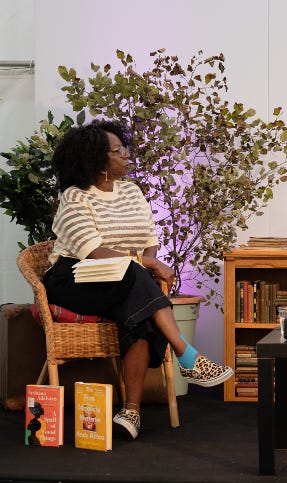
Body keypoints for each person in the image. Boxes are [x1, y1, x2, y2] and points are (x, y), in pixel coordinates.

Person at [43, 120, 233, 440]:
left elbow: (149, 237)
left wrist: (147, 258)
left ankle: (131, 411)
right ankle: (186, 353)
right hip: (74, 279)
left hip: (120, 281)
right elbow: (92, 251)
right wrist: (143, 261)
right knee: (136, 273)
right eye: (119, 151)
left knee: (139, 310)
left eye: (125, 148)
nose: (127, 155)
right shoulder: (75, 197)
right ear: (96, 159)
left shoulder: (131, 191)